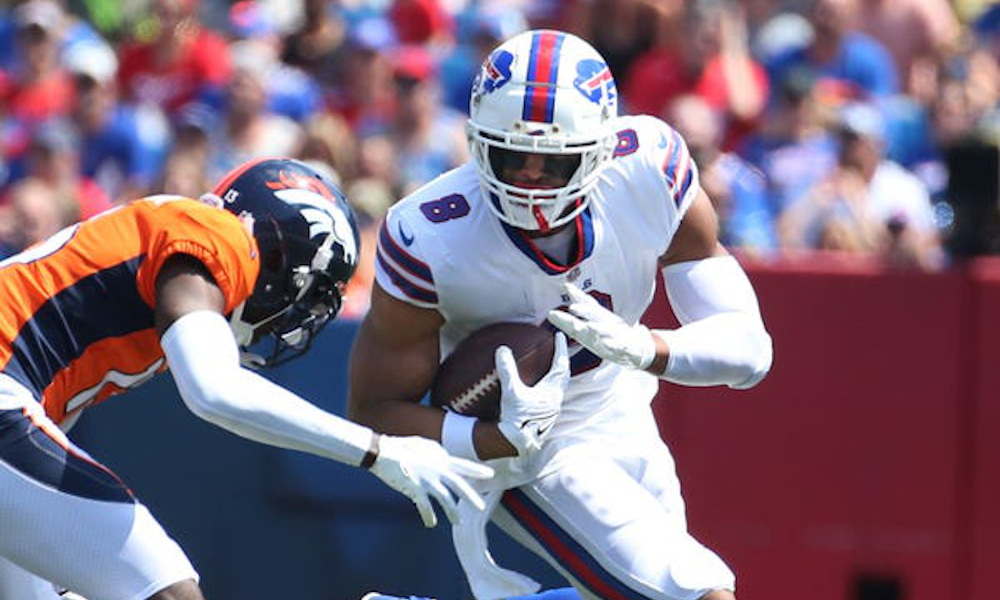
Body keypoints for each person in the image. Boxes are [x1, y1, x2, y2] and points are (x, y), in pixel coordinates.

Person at [348, 29, 773, 600]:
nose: (525, 178)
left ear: (599, 152)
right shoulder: (431, 233)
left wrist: (644, 348)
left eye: (550, 163)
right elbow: (374, 409)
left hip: (623, 407)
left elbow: (751, 351)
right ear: (475, 143)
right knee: (700, 595)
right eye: (508, 156)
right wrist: (492, 438)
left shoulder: (647, 167)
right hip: (529, 451)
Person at [0, 157, 493, 600]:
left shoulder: (171, 239)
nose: (293, 316)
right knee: (167, 591)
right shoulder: (218, 236)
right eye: (307, 289)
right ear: (281, 254)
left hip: (17, 398)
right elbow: (215, 390)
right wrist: (377, 450)